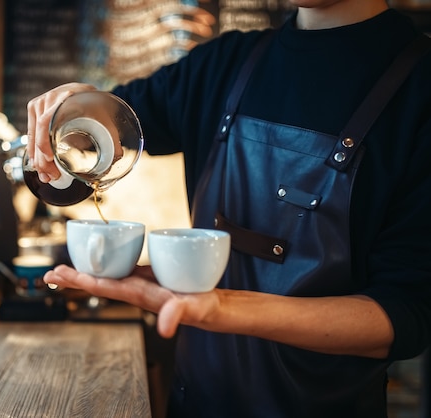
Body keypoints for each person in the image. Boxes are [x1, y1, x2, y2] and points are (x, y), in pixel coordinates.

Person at [26, 1, 431, 416]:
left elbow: (406, 314)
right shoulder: (223, 63)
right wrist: (71, 116)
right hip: (194, 402)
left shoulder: (420, 86)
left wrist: (227, 309)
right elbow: (114, 121)